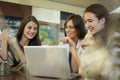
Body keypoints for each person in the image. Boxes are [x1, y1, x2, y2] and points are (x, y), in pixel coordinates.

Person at [65, 4, 110, 80]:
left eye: (90, 21)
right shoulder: (88, 37)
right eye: (85, 22)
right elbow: (81, 70)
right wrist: (72, 47)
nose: (87, 25)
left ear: (102, 20)